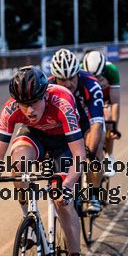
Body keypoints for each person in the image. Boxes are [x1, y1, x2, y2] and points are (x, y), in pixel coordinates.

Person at [0, 65, 86, 256]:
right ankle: (30, 221)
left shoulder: (62, 103)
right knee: (17, 166)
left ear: (45, 95)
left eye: (34, 103)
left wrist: (68, 184)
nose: (28, 110)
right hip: (35, 136)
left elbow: (79, 155)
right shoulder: (10, 109)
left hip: (64, 141)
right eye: (23, 103)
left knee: (62, 201)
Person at [49, 48, 105, 213]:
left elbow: (96, 124)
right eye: (62, 79)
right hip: (64, 126)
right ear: (55, 77)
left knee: (96, 152)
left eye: (71, 78)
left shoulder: (91, 84)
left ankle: (93, 193)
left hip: (86, 123)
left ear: (78, 73)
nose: (67, 84)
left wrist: (90, 153)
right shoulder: (48, 86)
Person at [82, 50, 121, 174]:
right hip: (87, 100)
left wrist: (114, 126)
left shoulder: (112, 70)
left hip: (104, 100)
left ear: (103, 71)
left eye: (97, 76)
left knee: (109, 118)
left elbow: (115, 102)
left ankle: (109, 156)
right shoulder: (79, 69)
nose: (94, 80)